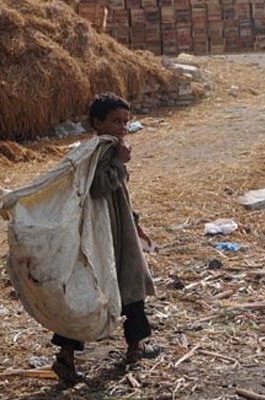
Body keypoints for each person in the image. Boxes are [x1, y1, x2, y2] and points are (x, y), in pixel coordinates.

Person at [51, 93, 159, 382]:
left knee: (116, 286)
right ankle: (127, 348)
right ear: (97, 122)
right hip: (102, 233)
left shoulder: (109, 146)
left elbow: (120, 194)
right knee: (123, 286)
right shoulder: (99, 150)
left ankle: (75, 354)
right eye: (115, 120)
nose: (122, 126)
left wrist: (135, 224)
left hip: (119, 227)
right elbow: (100, 186)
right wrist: (122, 162)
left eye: (125, 121)